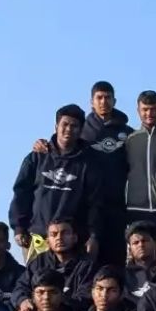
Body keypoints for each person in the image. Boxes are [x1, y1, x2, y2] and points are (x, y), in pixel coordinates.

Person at [10, 103, 102, 262]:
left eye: (74, 126)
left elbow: (95, 203)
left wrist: (93, 235)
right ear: (56, 126)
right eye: (64, 124)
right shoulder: (37, 157)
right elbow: (21, 193)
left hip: (73, 242)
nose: (68, 129)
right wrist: (18, 227)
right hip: (37, 239)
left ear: (81, 130)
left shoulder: (90, 163)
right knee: (36, 279)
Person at [81, 80, 133, 267]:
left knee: (115, 261)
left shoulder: (128, 133)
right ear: (92, 102)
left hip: (116, 207)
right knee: (86, 262)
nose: (104, 102)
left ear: (114, 101)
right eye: (99, 98)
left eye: (108, 97)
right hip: (86, 208)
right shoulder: (81, 131)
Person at [12, 218, 94, 311]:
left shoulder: (87, 265)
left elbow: (85, 298)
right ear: (47, 241)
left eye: (64, 233)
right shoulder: (38, 263)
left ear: (74, 238)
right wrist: (23, 300)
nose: (59, 238)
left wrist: (54, 300)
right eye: (54, 234)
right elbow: (20, 288)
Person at [124, 90, 156, 231]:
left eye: (153, 109)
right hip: (135, 208)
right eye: (145, 109)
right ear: (138, 111)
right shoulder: (130, 139)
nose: (149, 113)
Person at [124, 221, 156, 306]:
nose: (141, 245)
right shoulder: (123, 275)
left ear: (155, 244)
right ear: (130, 249)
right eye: (135, 242)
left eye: (145, 240)